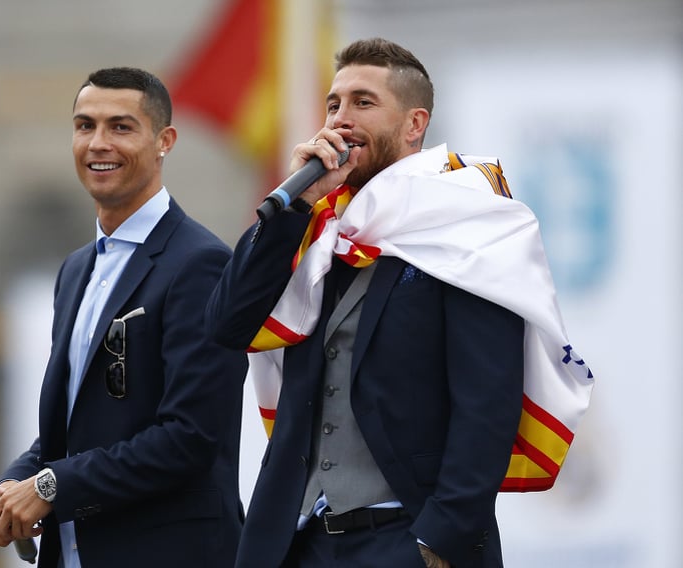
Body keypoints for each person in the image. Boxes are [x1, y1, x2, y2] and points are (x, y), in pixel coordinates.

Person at [206, 37, 572, 568]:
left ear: (414, 125)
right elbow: (226, 325)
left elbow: (487, 401)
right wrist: (295, 208)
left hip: (407, 540)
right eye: (333, 104)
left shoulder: (468, 225)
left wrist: (437, 542)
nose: (341, 118)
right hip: (298, 542)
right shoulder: (317, 230)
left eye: (363, 102)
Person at [0, 67, 247, 567]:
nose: (98, 143)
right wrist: (15, 482)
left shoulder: (201, 264)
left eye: (121, 127)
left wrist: (52, 486)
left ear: (164, 140)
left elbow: (191, 435)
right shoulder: (76, 269)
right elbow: (79, 425)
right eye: (85, 126)